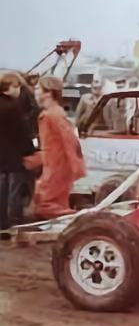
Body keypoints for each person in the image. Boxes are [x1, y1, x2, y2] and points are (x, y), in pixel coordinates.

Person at [33, 76, 86, 219]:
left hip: (56, 167)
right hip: (54, 166)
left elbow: (69, 141)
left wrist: (75, 166)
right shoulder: (54, 114)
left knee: (47, 204)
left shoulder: (52, 116)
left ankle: (79, 219)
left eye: (38, 88)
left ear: (48, 93)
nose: (35, 91)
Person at [0, 72, 37, 231]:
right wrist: (30, 150)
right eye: (17, 87)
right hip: (12, 155)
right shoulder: (13, 107)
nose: (19, 91)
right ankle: (12, 220)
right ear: (9, 88)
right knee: (13, 187)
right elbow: (22, 132)